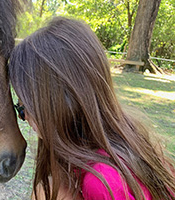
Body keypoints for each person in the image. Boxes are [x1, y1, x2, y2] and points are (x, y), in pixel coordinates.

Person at [9, 17, 175, 200]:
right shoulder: (119, 135)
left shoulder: (105, 182)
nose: (23, 117)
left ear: (60, 99)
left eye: (24, 107)